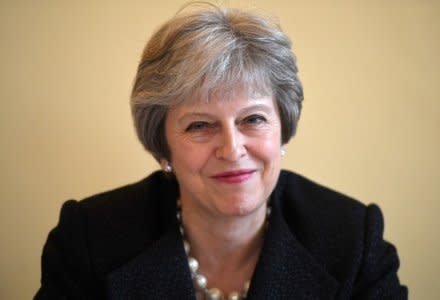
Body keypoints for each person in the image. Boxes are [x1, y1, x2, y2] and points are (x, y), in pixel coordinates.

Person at [35, 3, 407, 299]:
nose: (231, 149)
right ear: (162, 146)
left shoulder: (352, 240)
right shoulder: (89, 239)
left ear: (283, 129)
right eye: (200, 125)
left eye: (253, 119)